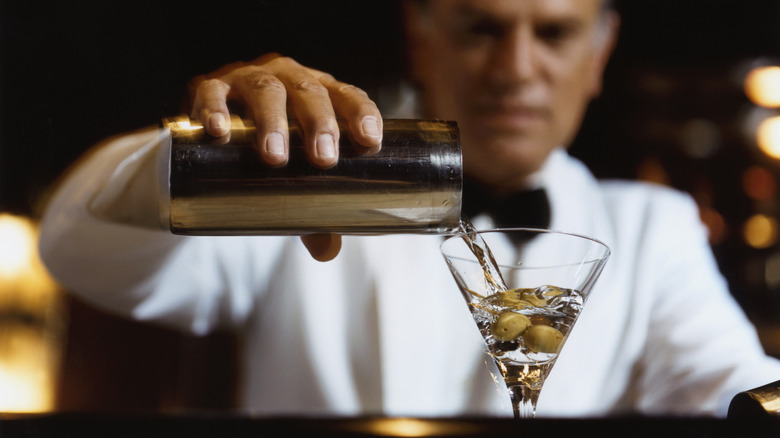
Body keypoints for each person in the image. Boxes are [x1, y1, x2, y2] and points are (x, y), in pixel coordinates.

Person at [39, 0, 780, 417]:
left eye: (552, 33)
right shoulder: (306, 185)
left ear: (598, 55)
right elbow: (77, 248)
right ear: (422, 40)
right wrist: (209, 154)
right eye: (481, 29)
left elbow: (729, 384)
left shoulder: (653, 225)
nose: (516, 69)